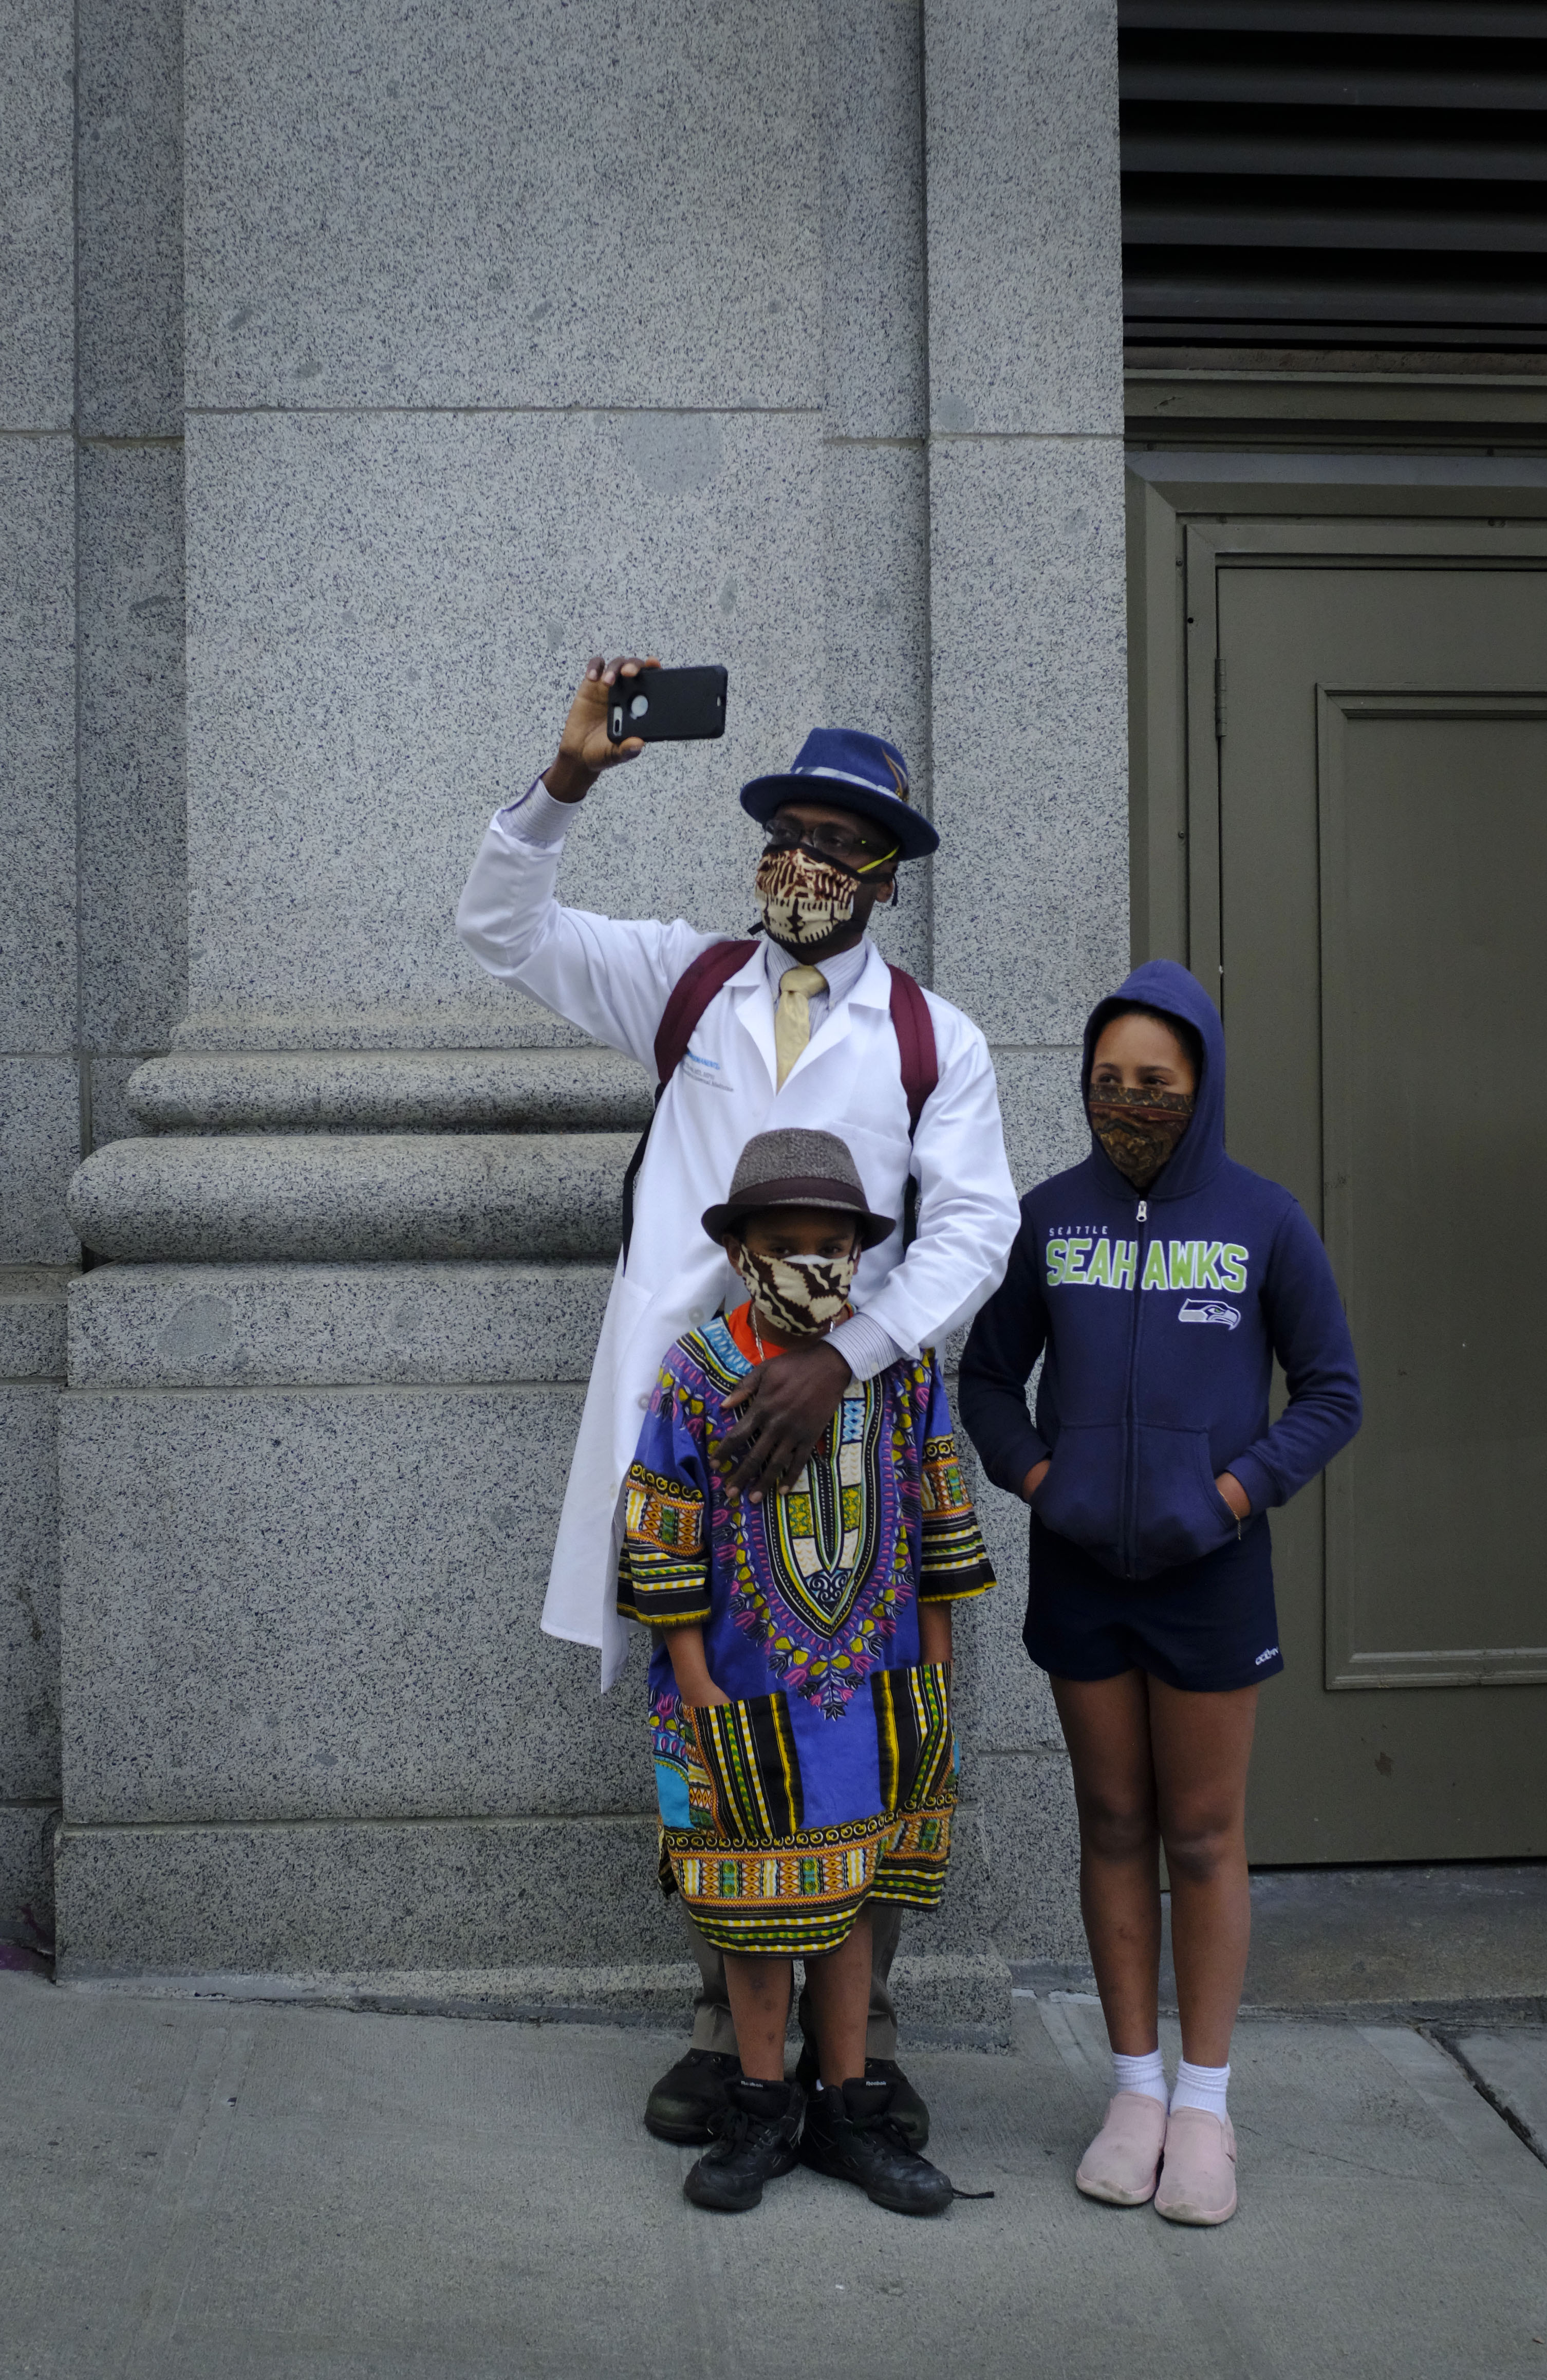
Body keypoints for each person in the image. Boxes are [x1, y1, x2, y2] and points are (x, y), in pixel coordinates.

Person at [456, 657, 1018, 2151]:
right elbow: (499, 927)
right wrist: (567, 776)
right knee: (710, 1728)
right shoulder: (688, 982)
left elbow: (974, 1228)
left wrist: (846, 1358)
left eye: (843, 844)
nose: (808, 862)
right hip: (691, 1437)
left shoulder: (931, 1042)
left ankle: (860, 2050)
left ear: (886, 878)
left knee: (859, 1733)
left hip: (848, 1443)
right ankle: (729, 2042)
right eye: (790, 832)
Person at [958, 960, 1360, 2227]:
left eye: (1156, 1086)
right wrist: (1036, 1475)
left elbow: (1333, 1393)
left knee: (1201, 1835)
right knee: (1112, 1824)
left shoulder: (1262, 1223)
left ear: (1202, 1087)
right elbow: (983, 1380)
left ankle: (1204, 2106)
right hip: (1081, 1575)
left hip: (1207, 1579)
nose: (1128, 1104)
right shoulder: (1050, 1218)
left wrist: (1230, 1497)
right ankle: (1131, 2092)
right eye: (1107, 1084)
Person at [619, 1128, 996, 2215]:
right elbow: (659, 1540)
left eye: (836, 1247)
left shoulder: (900, 1369)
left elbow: (937, 1524)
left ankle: (849, 2108)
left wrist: (931, 1680)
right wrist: (696, 1693)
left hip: (873, 1697)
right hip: (735, 1697)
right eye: (787, 1244)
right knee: (749, 1911)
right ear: (738, 1251)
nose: (816, 1267)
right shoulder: (695, 1376)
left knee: (851, 1899)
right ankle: (755, 2104)